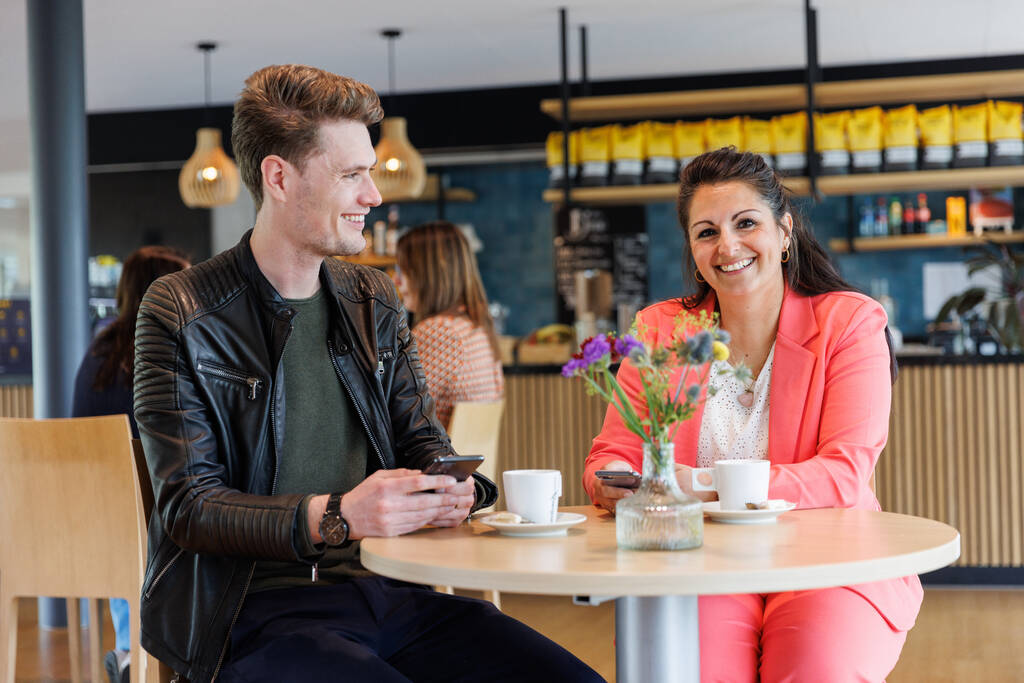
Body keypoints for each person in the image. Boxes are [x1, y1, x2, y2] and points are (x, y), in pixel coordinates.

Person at [133, 64, 602, 683]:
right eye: (352, 175)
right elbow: (189, 508)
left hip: (387, 592)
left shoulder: (371, 298)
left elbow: (423, 441)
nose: (374, 196)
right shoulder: (182, 309)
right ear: (279, 176)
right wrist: (339, 515)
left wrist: (455, 488)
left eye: (371, 174)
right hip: (245, 615)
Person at [583, 147, 922, 682]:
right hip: (699, 560)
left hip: (826, 562)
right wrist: (609, 485)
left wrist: (697, 484)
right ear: (693, 248)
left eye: (746, 223)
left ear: (784, 231)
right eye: (707, 232)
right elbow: (614, 456)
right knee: (688, 670)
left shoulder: (849, 322)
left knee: (814, 667)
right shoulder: (661, 330)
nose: (729, 246)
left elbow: (844, 472)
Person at [71, 245, 190, 683]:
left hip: (84, 527)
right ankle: (163, 654)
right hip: (146, 530)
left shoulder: (97, 352)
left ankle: (129, 651)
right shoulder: (161, 353)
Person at [394, 220, 504, 429]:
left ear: (427, 273)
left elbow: (399, 414)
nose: (396, 281)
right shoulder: (476, 327)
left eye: (402, 271)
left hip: (430, 461)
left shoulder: (440, 331)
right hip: (468, 461)